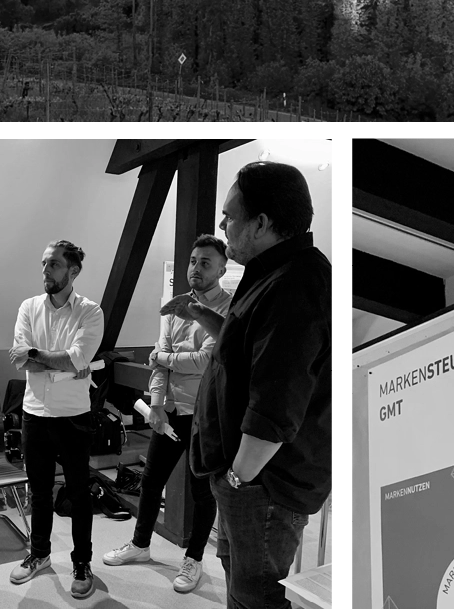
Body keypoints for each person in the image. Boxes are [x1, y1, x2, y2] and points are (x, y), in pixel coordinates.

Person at [189, 161, 335, 609]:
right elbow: (246, 353)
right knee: (241, 587)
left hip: (262, 485)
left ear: (261, 223)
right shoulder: (271, 272)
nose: (223, 225)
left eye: (230, 215)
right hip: (248, 480)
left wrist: (238, 478)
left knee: (257, 597)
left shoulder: (295, 283)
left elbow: (276, 402)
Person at [101, 233, 232, 594]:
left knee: (201, 491)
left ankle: (194, 559)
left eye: (205, 263)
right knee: (151, 480)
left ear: (221, 270)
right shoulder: (176, 306)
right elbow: (161, 364)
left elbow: (204, 361)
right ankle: (140, 544)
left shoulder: (226, 309)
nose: (196, 268)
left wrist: (163, 358)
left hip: (204, 414)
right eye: (193, 261)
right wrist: (156, 406)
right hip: (170, 410)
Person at [8, 239, 106, 601]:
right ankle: (40, 554)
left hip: (73, 416)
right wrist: (60, 360)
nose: (46, 271)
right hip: (34, 414)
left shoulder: (90, 312)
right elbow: (20, 359)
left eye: (53, 264)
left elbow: (77, 358)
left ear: (73, 271)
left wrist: (39, 355)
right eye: (44, 264)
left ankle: (82, 563)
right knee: (38, 491)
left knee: (79, 494)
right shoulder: (29, 307)